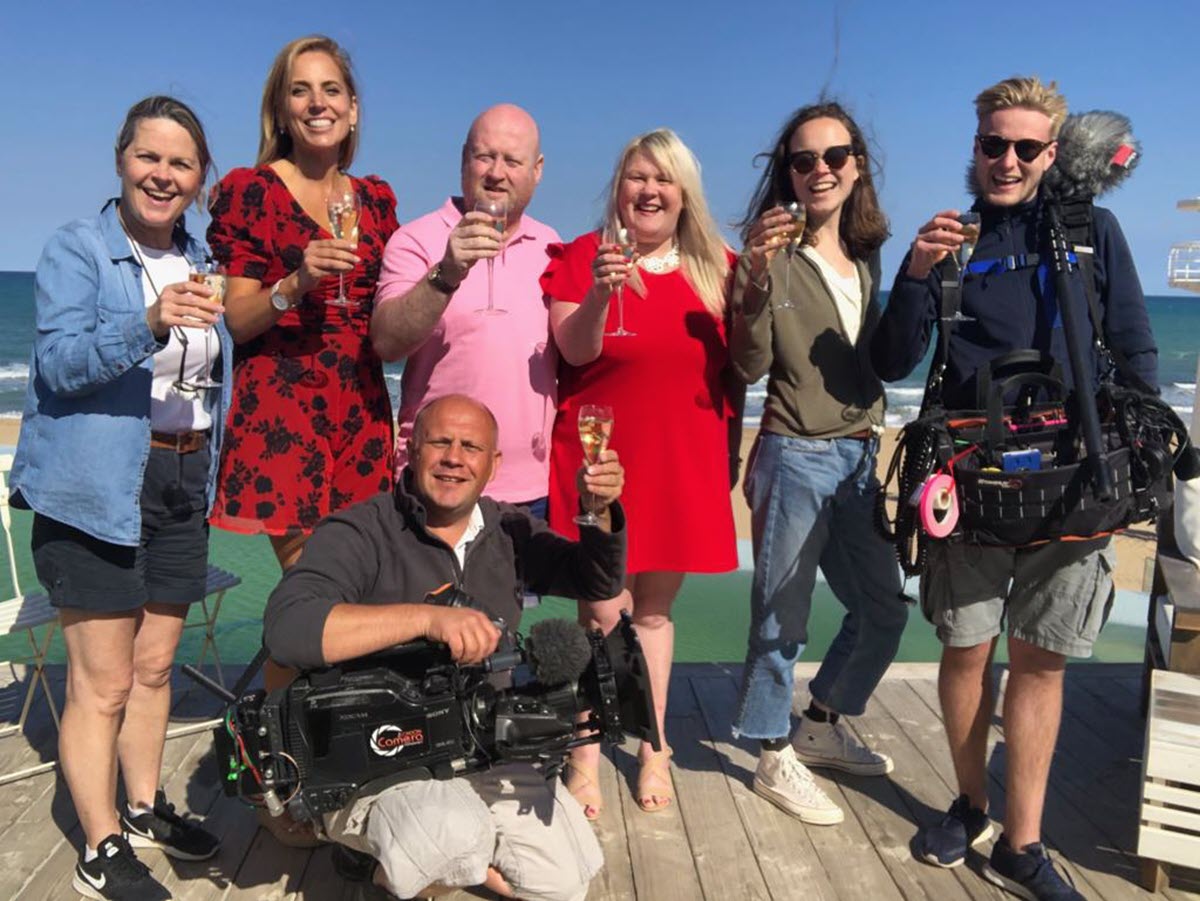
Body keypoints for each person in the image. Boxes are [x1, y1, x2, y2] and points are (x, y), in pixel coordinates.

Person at [871, 76, 1157, 899]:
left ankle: (1022, 845)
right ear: (976, 146)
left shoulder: (1093, 232)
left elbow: (1134, 345)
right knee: (966, 650)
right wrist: (915, 273)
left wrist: (1139, 457)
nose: (1007, 160)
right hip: (971, 480)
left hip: (1071, 480)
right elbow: (892, 360)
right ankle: (970, 803)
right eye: (993, 143)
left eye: (1026, 147)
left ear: (1052, 154)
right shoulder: (951, 240)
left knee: (1041, 661)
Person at [263, 394, 626, 901]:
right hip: (378, 758)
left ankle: (426, 852)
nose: (454, 457)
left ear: (493, 465)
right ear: (411, 452)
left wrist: (599, 512)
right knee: (455, 841)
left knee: (563, 883)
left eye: (471, 447)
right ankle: (372, 858)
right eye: (440, 442)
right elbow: (287, 628)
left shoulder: (509, 530)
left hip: (479, 748)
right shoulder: (361, 530)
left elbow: (598, 580)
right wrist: (426, 618)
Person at [9, 96, 232, 901]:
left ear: (199, 178)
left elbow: (212, 377)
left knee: (154, 665)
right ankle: (99, 847)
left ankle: (140, 807)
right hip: (95, 487)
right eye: (149, 157)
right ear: (120, 160)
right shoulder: (78, 248)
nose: (162, 175)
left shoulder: (204, 256)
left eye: (181, 163)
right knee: (100, 684)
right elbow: (60, 367)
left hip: (183, 480)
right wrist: (148, 320)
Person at [541, 128, 740, 817]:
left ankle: (655, 746)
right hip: (600, 460)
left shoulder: (718, 267)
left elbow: (747, 363)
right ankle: (585, 752)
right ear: (618, 188)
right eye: (636, 177)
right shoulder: (582, 256)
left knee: (653, 612)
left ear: (685, 193)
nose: (649, 190)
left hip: (682, 459)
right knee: (600, 611)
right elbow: (573, 350)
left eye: (663, 179)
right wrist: (602, 293)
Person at [729, 101, 908, 826]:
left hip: (861, 456)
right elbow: (748, 363)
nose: (820, 170)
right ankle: (772, 749)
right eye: (804, 160)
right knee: (782, 615)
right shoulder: (771, 255)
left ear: (856, 165)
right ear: (789, 174)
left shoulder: (866, 253)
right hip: (796, 454)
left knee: (885, 606)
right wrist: (750, 280)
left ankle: (821, 720)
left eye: (834, 156)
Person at [207, 34, 397, 570]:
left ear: (352, 109)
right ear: (281, 111)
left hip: (362, 411)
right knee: (315, 584)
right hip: (282, 413)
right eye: (300, 91)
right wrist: (296, 283)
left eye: (331, 90)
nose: (318, 103)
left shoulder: (377, 200)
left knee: (361, 580)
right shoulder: (253, 192)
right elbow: (238, 321)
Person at [371, 104, 558, 516]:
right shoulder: (415, 239)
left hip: (531, 492)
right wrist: (446, 274)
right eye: (484, 156)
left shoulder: (553, 248)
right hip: (437, 482)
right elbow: (387, 341)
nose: (496, 173)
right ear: (463, 160)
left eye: (512, 161)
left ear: (537, 170)